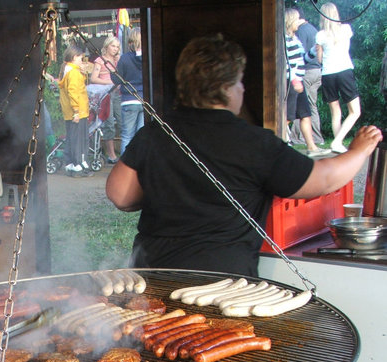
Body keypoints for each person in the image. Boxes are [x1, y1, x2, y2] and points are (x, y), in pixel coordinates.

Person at [106, 34, 382, 277]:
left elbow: (120, 194)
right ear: (225, 87)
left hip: (152, 274)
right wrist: (359, 150)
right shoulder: (255, 143)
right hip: (224, 283)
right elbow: (324, 179)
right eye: (239, 81)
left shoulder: (156, 132)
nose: (243, 89)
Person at [315, 2, 360, 154]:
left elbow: (319, 59)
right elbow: (347, 48)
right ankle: (337, 142)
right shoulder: (346, 29)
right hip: (344, 71)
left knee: (336, 112)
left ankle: (338, 144)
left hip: (328, 74)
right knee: (355, 111)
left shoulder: (319, 35)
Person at [285, 8, 329, 157]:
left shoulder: (294, 38)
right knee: (289, 117)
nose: (300, 22)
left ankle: (312, 147)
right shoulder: (285, 39)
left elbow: (301, 59)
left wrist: (313, 52)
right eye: (297, 19)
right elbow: (286, 63)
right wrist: (294, 80)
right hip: (293, 83)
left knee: (305, 114)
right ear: (290, 21)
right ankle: (277, 143)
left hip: (300, 81)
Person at [58, 42, 91, 176]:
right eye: (80, 58)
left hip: (71, 113)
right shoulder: (73, 73)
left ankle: (71, 163)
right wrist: (77, 111)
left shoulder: (69, 71)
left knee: (72, 138)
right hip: (78, 113)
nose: (81, 60)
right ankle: (78, 163)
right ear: (73, 57)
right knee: (79, 140)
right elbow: (74, 92)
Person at [90, 35, 121, 164]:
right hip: (106, 94)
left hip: (117, 93)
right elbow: (93, 78)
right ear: (107, 46)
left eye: (117, 47)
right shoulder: (100, 60)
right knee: (109, 124)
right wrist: (108, 82)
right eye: (113, 46)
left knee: (121, 120)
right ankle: (111, 154)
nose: (115, 49)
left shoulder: (117, 60)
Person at [114, 28, 144, 156]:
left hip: (128, 100)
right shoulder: (147, 57)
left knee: (127, 135)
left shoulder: (124, 58)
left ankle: (124, 165)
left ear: (131, 42)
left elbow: (116, 79)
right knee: (141, 135)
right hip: (143, 100)